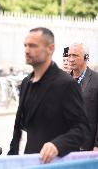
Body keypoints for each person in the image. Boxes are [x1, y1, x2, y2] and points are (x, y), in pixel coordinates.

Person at [7, 27, 89, 163]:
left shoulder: (66, 84)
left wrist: (57, 145)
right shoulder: (26, 82)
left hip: (51, 163)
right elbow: (19, 128)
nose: (27, 50)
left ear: (50, 48)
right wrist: (11, 157)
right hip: (25, 162)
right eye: (25, 45)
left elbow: (81, 129)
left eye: (33, 46)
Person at [68, 42, 98, 151]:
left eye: (75, 55)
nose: (70, 59)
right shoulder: (63, 81)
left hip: (88, 146)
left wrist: (97, 145)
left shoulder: (96, 80)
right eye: (69, 55)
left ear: (86, 57)